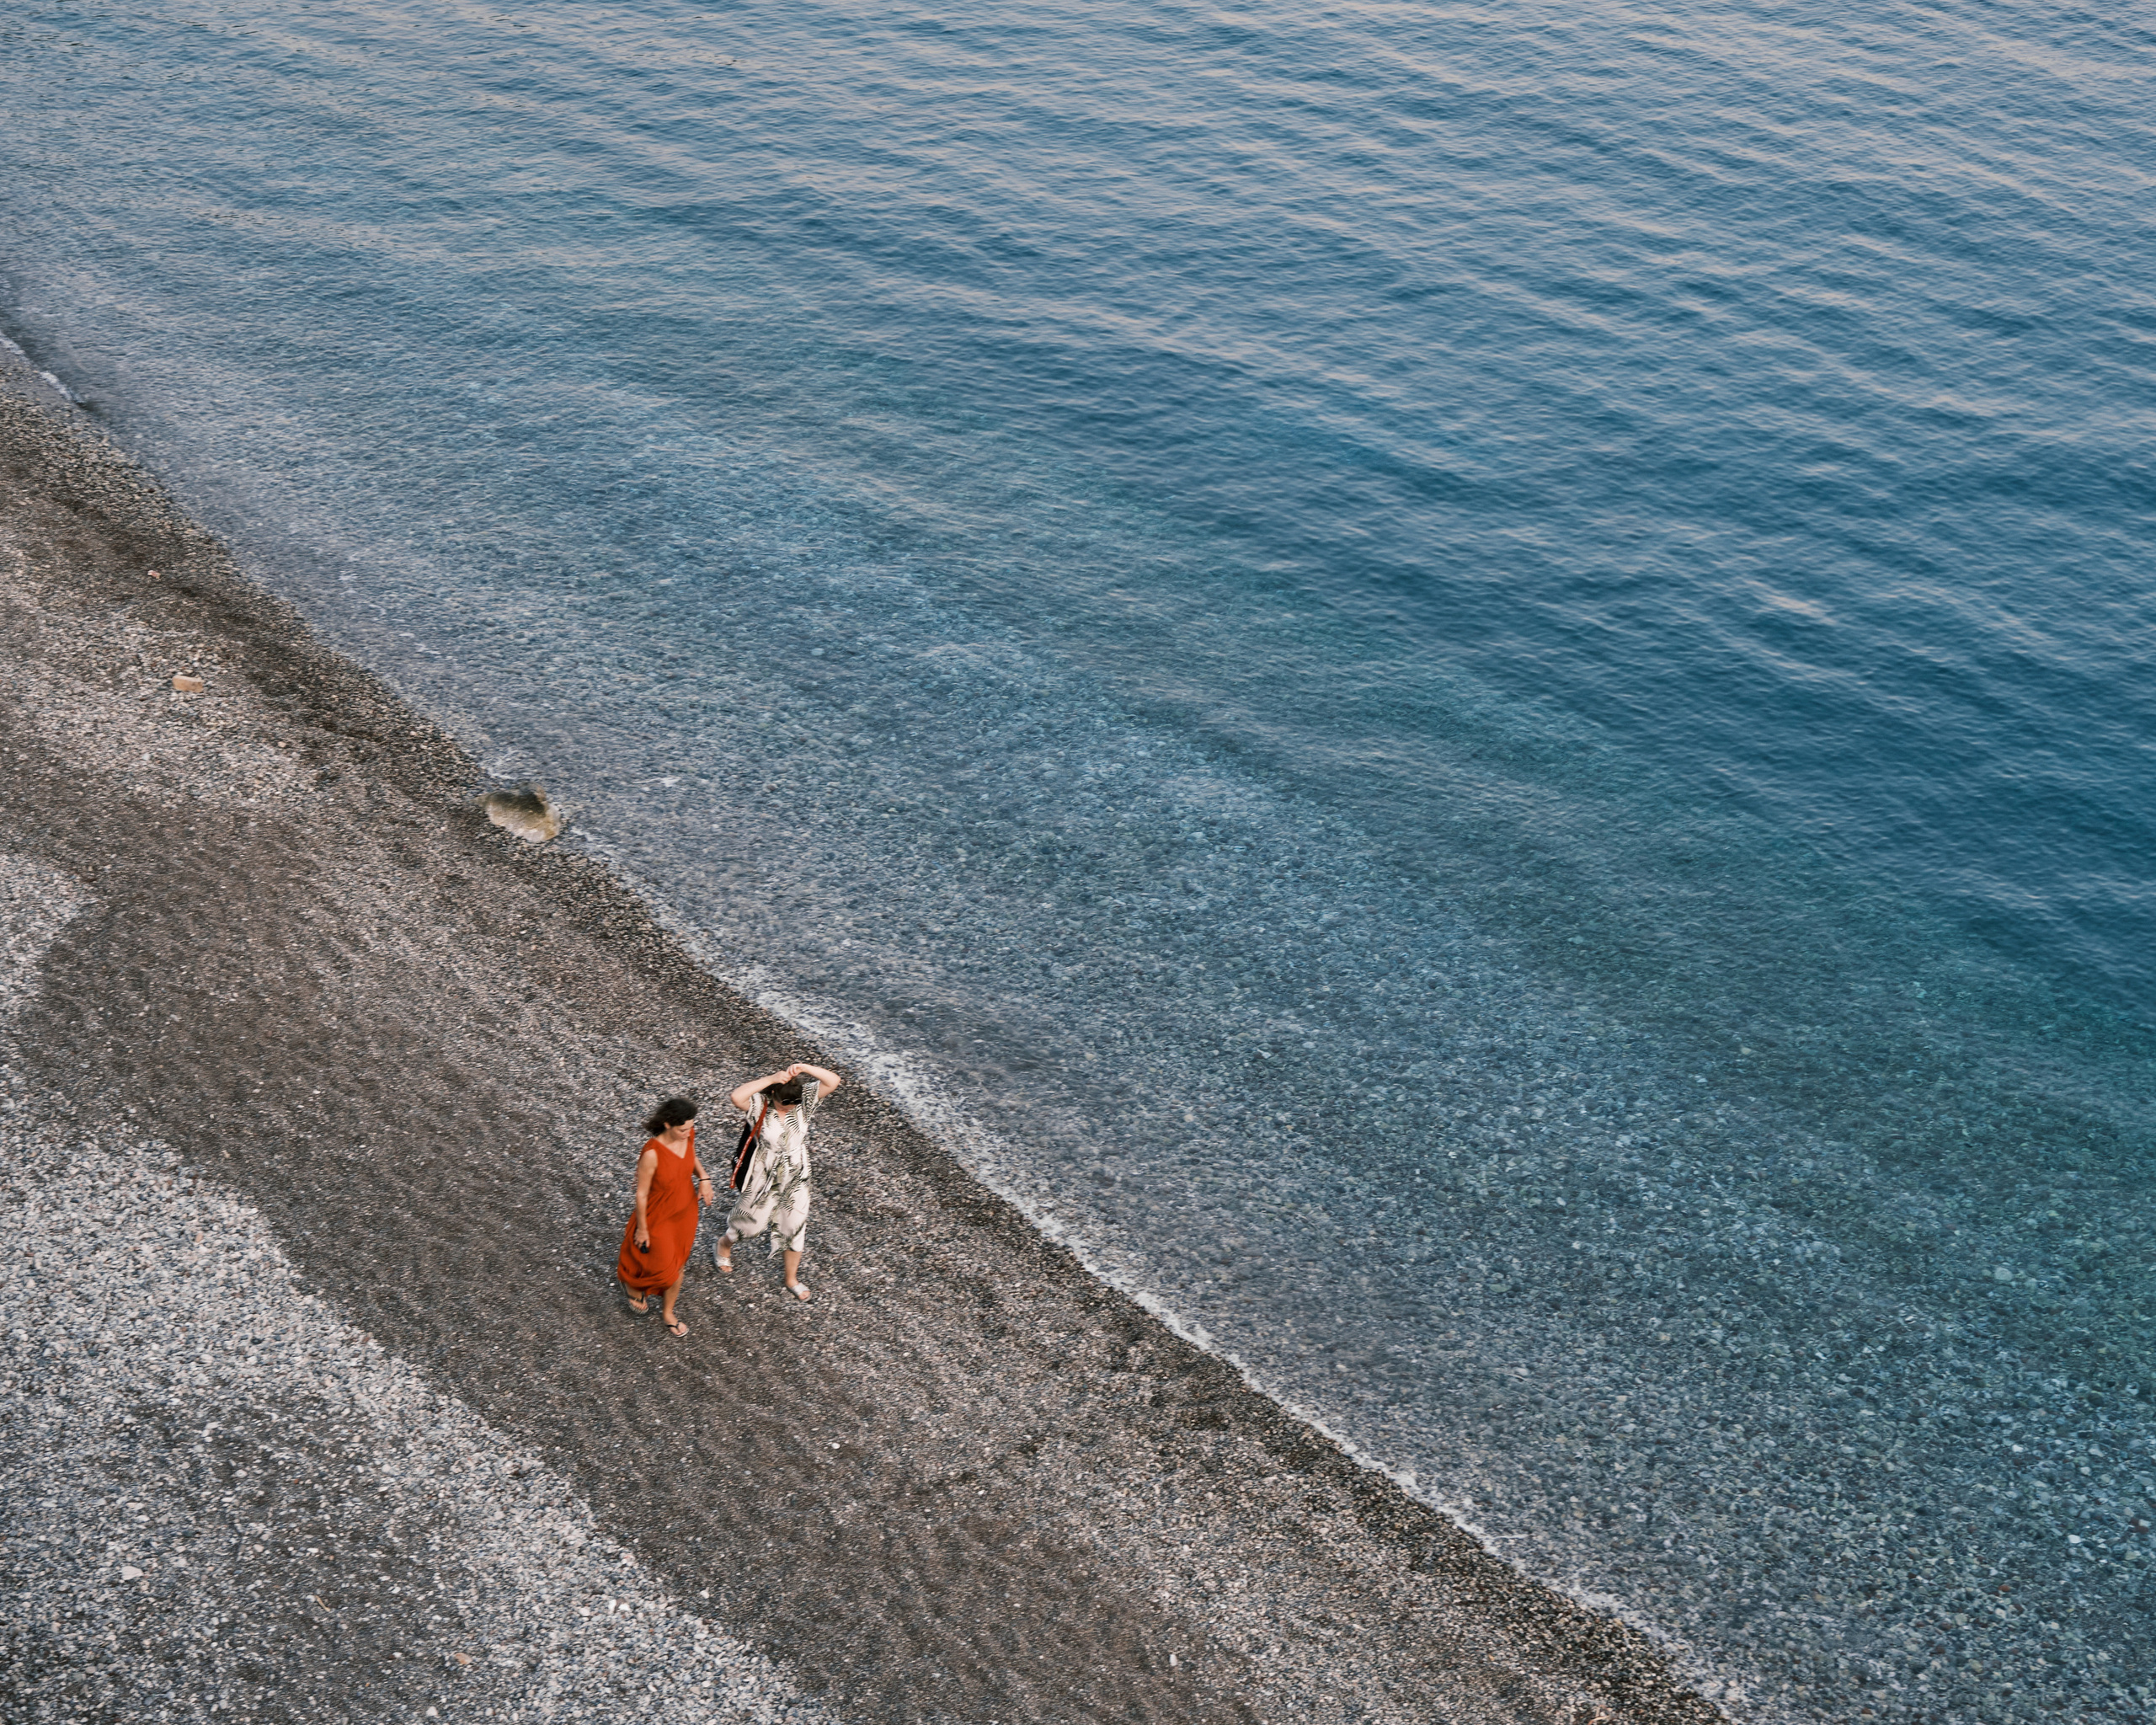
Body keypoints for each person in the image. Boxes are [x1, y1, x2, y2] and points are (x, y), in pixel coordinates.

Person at [715, 1060, 842, 1301]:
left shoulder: (804, 1102)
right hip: (764, 1174)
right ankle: (724, 1244)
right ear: (773, 1095)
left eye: (792, 1105)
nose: (788, 1109)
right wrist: (772, 1078)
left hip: (796, 1174)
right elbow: (736, 1096)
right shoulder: (759, 1105)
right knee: (750, 1225)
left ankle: (791, 1279)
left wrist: (804, 1067)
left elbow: (833, 1081)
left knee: (794, 1225)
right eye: (783, 1104)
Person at [616, 1096, 717, 1337]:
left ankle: (668, 1312)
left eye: (691, 1127)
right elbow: (641, 1194)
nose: (688, 1133)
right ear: (667, 1124)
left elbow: (691, 1156)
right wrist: (642, 1229)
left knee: (678, 1264)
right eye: (683, 1129)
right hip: (659, 1215)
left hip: (685, 1212)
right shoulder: (652, 1153)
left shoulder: (686, 1135)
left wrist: (704, 1178)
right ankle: (632, 1283)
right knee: (662, 1266)